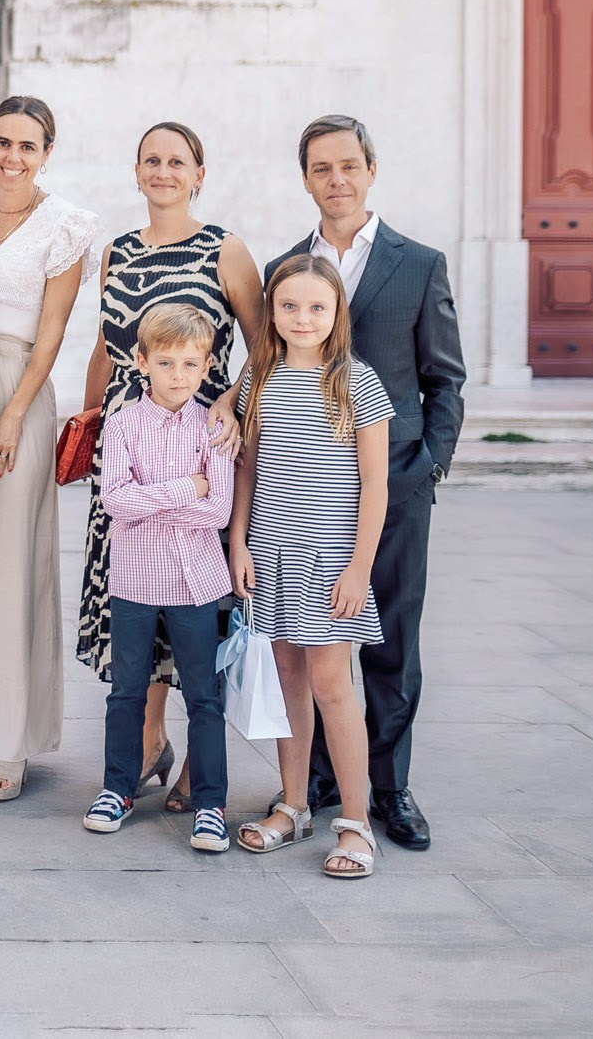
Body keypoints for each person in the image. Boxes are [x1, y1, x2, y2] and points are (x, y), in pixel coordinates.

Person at [263, 115, 464, 851]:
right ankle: (316, 782)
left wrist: (429, 465)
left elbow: (446, 379)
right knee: (313, 641)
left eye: (349, 164)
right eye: (322, 167)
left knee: (390, 643)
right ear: (307, 176)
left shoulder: (419, 262)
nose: (337, 178)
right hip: (306, 500)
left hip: (394, 484)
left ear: (371, 169)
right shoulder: (285, 268)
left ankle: (391, 788)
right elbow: (265, 364)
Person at [76, 121, 263, 811]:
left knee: (191, 602)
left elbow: (261, 339)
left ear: (198, 173)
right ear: (137, 170)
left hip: (199, 436)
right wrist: (87, 422)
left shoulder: (225, 248)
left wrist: (236, 408)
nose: (162, 170)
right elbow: (105, 345)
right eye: (151, 159)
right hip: (128, 438)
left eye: (176, 160)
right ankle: (149, 741)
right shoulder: (117, 251)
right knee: (136, 592)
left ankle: (197, 766)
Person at [0, 96, 100, 801]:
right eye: (3, 141)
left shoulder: (65, 225)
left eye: (29, 146)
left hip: (19, 388)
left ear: (47, 152)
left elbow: (53, 335)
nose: (13, 156)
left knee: (12, 561)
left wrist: (11, 415)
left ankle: (11, 741)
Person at [230, 255, 392, 879]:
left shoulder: (355, 381)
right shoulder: (259, 377)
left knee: (332, 685)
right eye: (289, 305)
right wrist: (239, 542)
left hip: (327, 560)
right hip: (268, 550)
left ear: (336, 313)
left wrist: (358, 569)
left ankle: (355, 822)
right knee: (287, 682)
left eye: (316, 307)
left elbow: (375, 486)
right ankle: (293, 805)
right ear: (272, 310)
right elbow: (246, 466)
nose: (302, 317)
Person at [80, 304, 234, 853]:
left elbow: (217, 512)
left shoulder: (214, 429)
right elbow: (118, 503)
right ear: (142, 361)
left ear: (206, 366)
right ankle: (117, 788)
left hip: (197, 583)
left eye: (190, 365)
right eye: (166, 362)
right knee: (126, 691)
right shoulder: (121, 425)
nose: (177, 375)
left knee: (204, 696)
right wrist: (184, 488)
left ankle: (210, 803)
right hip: (135, 583)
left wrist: (168, 498)